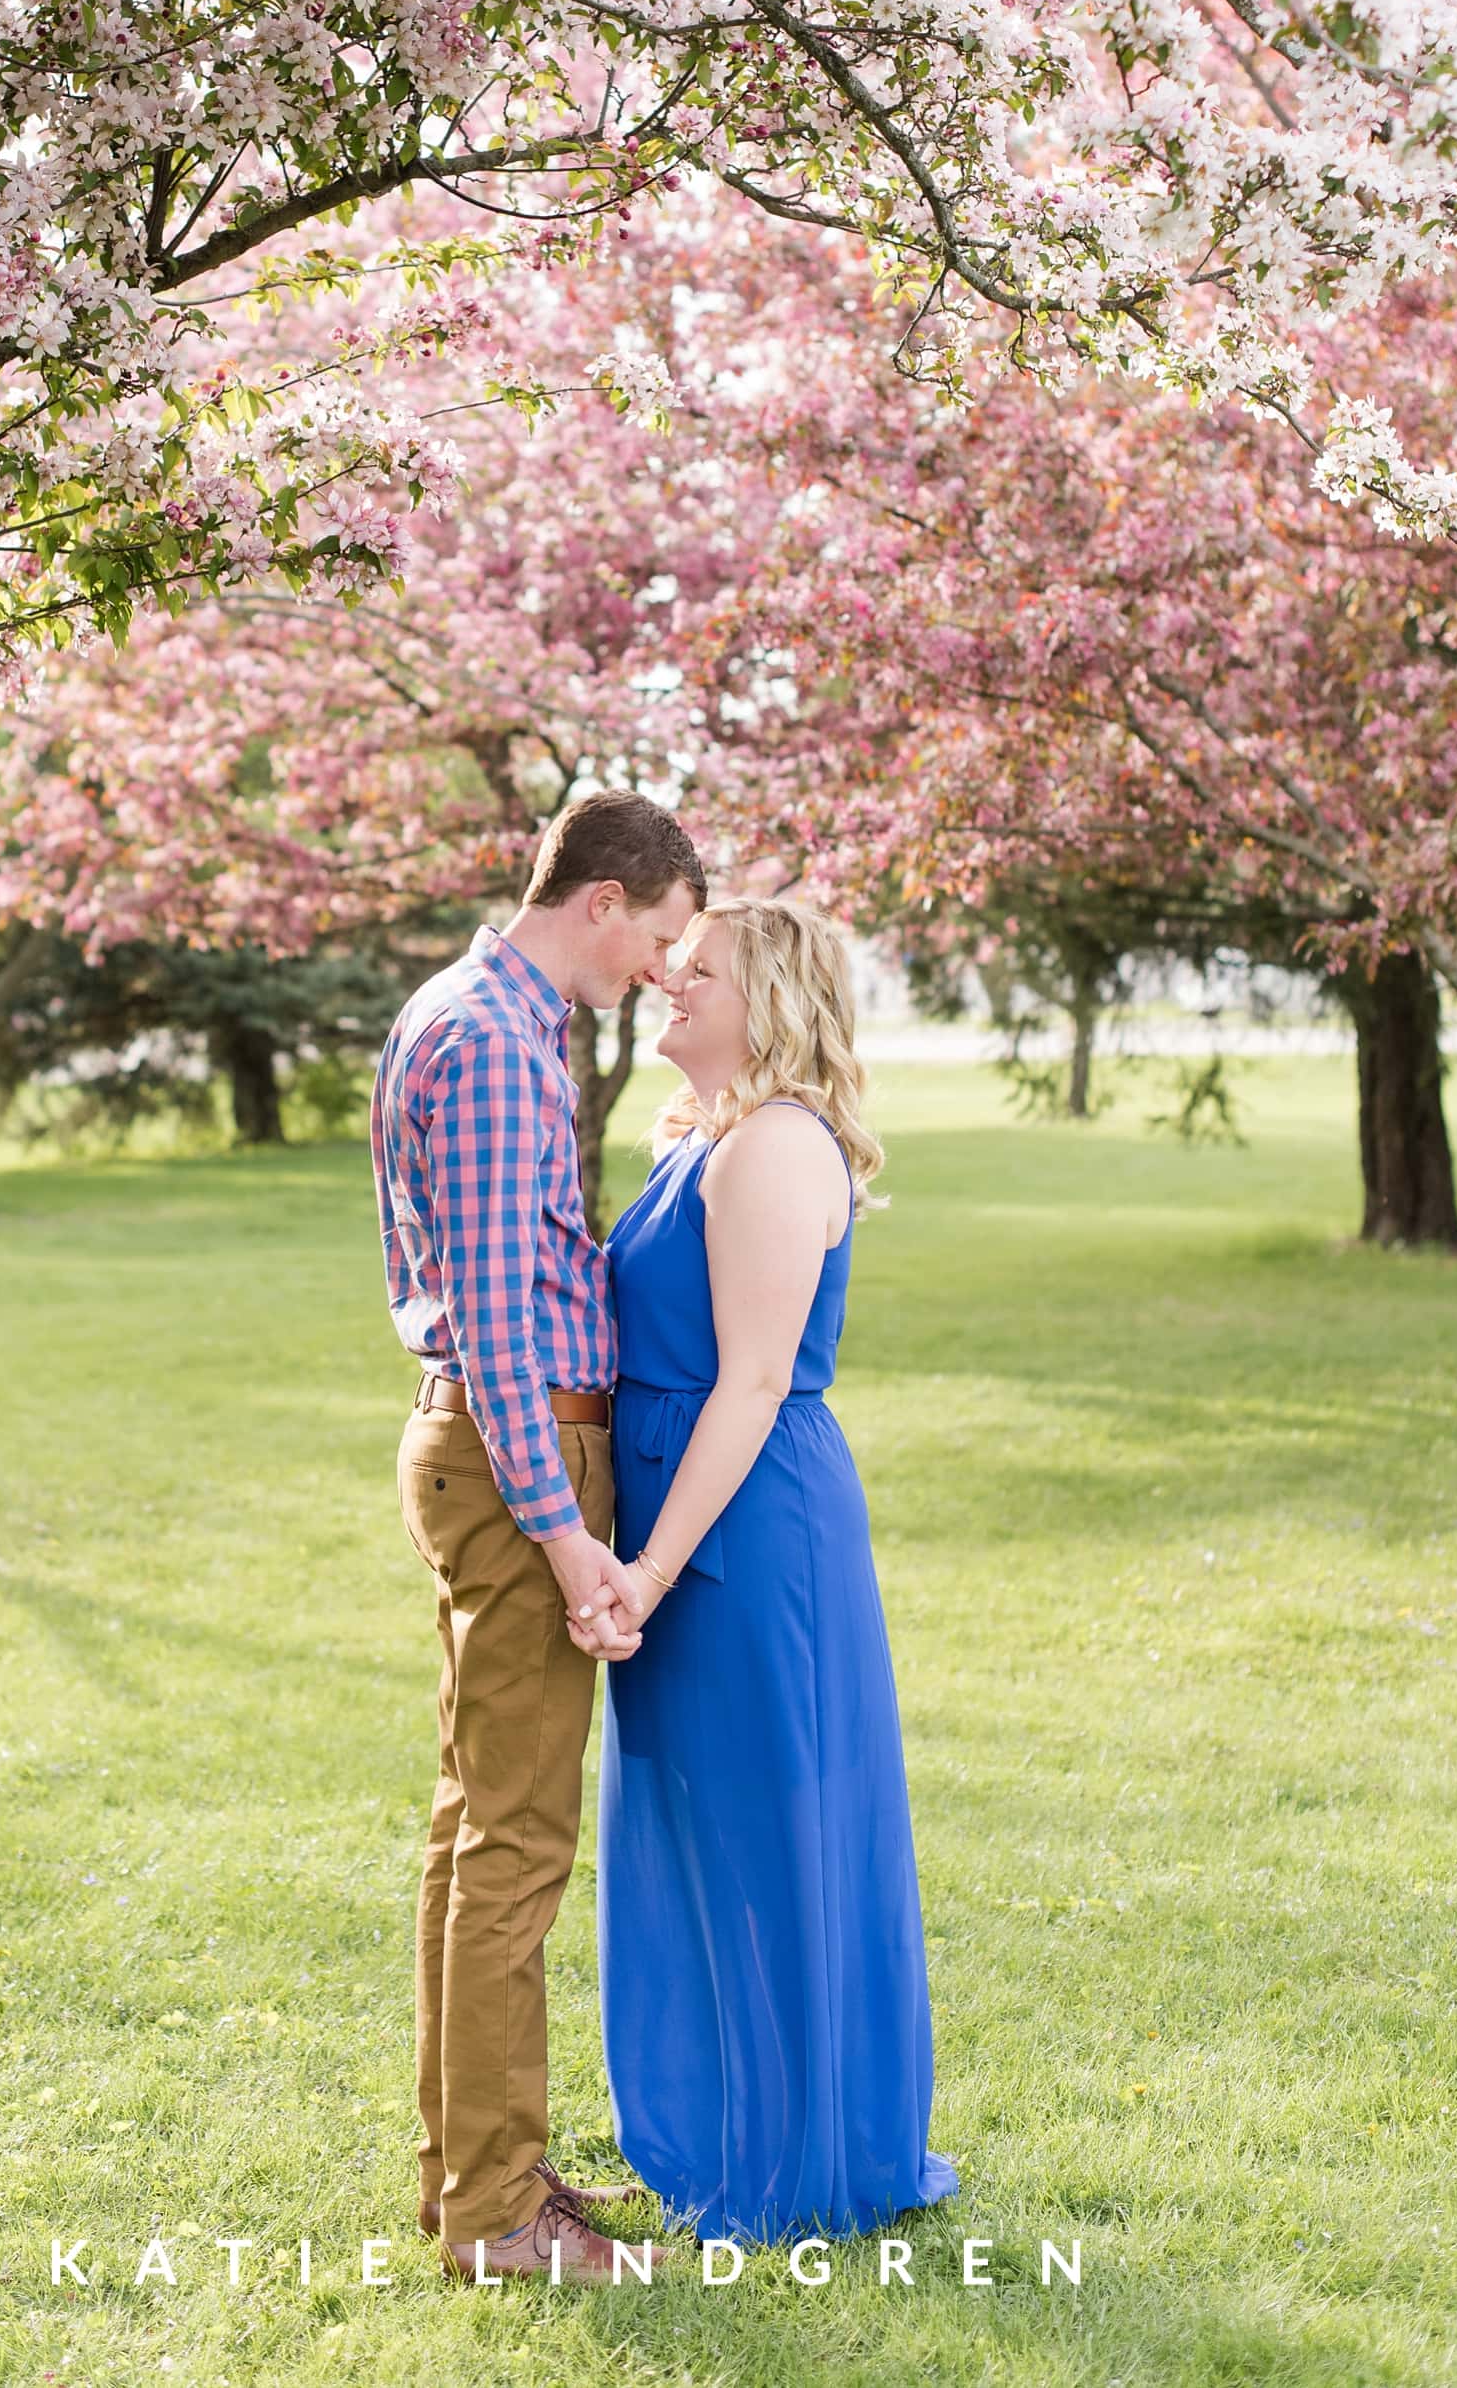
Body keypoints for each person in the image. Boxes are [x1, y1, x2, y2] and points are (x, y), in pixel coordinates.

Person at [574, 896, 959, 2243]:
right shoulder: (708, 1141)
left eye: (701, 970)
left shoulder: (780, 1148)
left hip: (743, 1533)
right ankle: (709, 2128)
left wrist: (651, 1570)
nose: (670, 982)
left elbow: (748, 1385)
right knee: (688, 1830)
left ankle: (800, 2153)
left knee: (769, 1828)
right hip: (683, 1526)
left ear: (772, 1000)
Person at [373, 790, 704, 2285]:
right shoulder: (502, 1045)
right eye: (661, 934)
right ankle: (502, 2218)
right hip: (525, 1452)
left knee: (472, 1832)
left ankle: (470, 2179)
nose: (660, 965)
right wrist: (571, 1536)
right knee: (514, 1844)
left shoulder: (462, 1006)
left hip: (484, 1446)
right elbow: (507, 1328)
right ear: (606, 898)